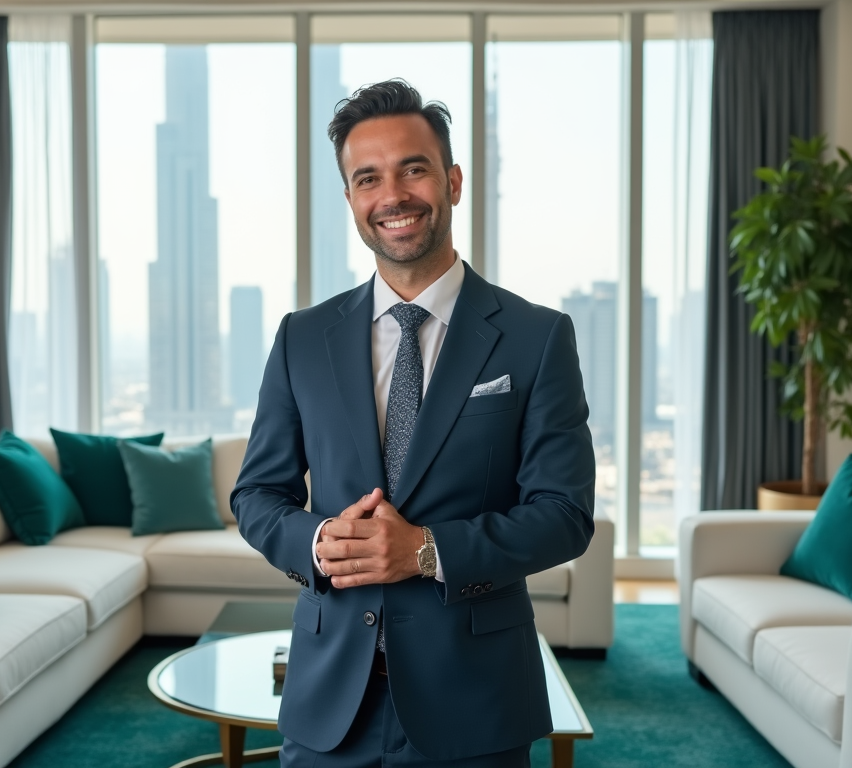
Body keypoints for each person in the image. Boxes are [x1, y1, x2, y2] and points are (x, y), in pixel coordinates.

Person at [231, 79, 595, 768]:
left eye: (414, 169)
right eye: (368, 178)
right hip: (328, 700)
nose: (392, 194)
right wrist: (317, 542)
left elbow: (564, 514)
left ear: (453, 182)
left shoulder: (535, 337)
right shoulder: (301, 338)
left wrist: (428, 550)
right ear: (350, 201)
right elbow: (256, 496)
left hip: (476, 701)